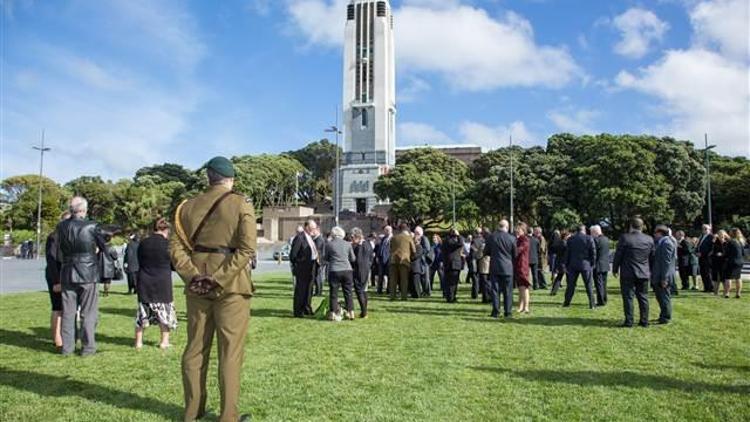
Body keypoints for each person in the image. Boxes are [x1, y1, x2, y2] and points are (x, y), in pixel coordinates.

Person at [170, 156, 256, 422]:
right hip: (231, 287)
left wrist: (194, 276)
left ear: (208, 177)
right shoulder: (241, 204)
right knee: (230, 352)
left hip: (197, 286)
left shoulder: (185, 207)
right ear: (231, 179)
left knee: (195, 349)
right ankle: (228, 416)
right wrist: (218, 278)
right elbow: (246, 249)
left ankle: (192, 412)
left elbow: (175, 248)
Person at [56, 196, 108, 356]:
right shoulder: (92, 226)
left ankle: (67, 347)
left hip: (67, 271)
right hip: (88, 272)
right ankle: (88, 347)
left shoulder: (61, 226)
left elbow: (60, 249)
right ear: (84, 210)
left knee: (68, 312)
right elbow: (104, 246)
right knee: (88, 312)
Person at [135, 218, 177, 349]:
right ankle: (164, 341)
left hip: (145, 279)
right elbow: (174, 264)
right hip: (162, 281)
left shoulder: (143, 243)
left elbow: (139, 260)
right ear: (166, 230)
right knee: (165, 311)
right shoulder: (168, 244)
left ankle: (138, 342)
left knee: (143, 312)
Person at [613, 217, 655, 328]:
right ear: (642, 226)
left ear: (631, 226)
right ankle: (644, 321)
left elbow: (618, 255)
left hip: (628, 272)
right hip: (644, 272)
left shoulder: (625, 238)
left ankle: (629, 321)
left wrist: (615, 269)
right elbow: (652, 257)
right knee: (643, 297)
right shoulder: (649, 239)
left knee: (628, 297)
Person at [45, 211, 70, 351]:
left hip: (67, 274)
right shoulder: (54, 237)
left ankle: (65, 336)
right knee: (58, 308)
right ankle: (57, 339)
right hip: (56, 275)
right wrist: (56, 281)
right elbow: (51, 260)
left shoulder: (69, 238)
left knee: (66, 308)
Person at [484, 219, 516, 318]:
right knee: (508, 291)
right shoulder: (512, 238)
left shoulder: (491, 237)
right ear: (507, 227)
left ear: (498, 226)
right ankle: (508, 311)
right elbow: (515, 254)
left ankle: (496, 311)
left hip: (495, 266)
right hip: (507, 267)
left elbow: (486, 252)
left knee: (495, 290)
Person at [325, 226, 356, 320]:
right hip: (347, 270)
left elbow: (326, 258)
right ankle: (351, 312)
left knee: (334, 293)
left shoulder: (329, 244)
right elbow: (353, 258)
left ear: (333, 234)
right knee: (348, 292)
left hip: (334, 270)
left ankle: (333, 313)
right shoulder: (348, 244)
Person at [563, 225, 597, 309]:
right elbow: (593, 252)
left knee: (571, 285)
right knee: (588, 285)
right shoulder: (589, 238)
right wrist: (592, 263)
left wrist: (566, 264)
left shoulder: (571, 239)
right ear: (584, 230)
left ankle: (566, 302)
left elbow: (567, 253)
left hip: (573, 265)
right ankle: (592, 304)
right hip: (585, 264)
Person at [290, 220, 318, 317]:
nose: (314, 230)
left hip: (311, 266)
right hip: (302, 268)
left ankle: (307, 307)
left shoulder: (310, 238)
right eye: (312, 228)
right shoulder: (299, 238)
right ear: (307, 227)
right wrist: (299, 264)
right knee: (301, 290)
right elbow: (293, 255)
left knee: (309, 289)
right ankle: (298, 310)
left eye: (314, 228)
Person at [652, 225, 676, 325]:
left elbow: (666, 262)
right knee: (661, 297)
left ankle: (666, 317)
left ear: (660, 233)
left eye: (656, 232)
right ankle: (663, 314)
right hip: (660, 274)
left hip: (663, 275)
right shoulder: (662, 243)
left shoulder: (666, 243)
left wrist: (664, 278)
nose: (654, 234)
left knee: (664, 297)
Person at [389, 224, 415, 301]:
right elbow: (413, 250)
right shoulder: (409, 238)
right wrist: (411, 257)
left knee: (393, 280)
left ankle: (392, 296)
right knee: (404, 279)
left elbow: (390, 249)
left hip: (393, 259)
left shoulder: (393, 238)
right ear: (406, 230)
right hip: (404, 260)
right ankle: (404, 296)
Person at [352, 228, 373, 318]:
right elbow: (371, 258)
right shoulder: (368, 244)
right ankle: (364, 311)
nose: (352, 239)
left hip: (359, 270)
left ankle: (364, 312)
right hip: (367, 269)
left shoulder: (359, 246)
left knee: (359, 291)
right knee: (364, 291)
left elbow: (358, 260)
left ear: (357, 237)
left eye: (353, 237)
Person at [442, 229, 465, 303]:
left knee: (450, 282)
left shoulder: (446, 240)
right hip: (453, 264)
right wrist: (459, 235)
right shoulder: (450, 241)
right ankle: (451, 297)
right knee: (452, 282)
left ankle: (451, 296)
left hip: (448, 264)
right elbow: (461, 243)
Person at [591, 225, 610, 306]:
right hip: (605, 264)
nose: (591, 234)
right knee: (604, 284)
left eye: (592, 233)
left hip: (598, 265)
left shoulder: (595, 240)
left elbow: (594, 253)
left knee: (598, 284)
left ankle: (600, 301)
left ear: (595, 232)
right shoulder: (606, 239)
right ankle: (604, 299)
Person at [514, 223, 531, 313]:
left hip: (522, 266)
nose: (517, 230)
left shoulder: (525, 240)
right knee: (520, 287)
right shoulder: (518, 239)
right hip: (518, 265)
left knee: (524, 287)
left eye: (518, 229)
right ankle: (520, 306)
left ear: (523, 230)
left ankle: (526, 307)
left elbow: (518, 250)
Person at [725, 228, 745, 299]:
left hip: (731, 261)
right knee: (738, 278)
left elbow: (726, 253)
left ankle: (727, 293)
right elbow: (743, 253)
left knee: (728, 278)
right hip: (740, 261)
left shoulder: (730, 242)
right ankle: (738, 293)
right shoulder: (740, 242)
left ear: (732, 233)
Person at [549, 230, 569, 296]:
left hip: (559, 261)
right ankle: (569, 291)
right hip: (564, 262)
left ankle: (553, 291)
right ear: (565, 236)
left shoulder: (559, 243)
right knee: (568, 278)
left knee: (559, 277)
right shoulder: (565, 244)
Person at [414, 226, 432, 297]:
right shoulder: (416, 238)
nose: (416, 233)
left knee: (425, 277)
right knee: (422, 277)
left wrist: (419, 252)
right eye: (415, 232)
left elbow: (427, 249)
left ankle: (427, 291)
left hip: (424, 260)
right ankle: (423, 291)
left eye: (417, 232)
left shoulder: (424, 238)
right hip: (419, 260)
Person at [696, 224, 715, 293]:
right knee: (703, 273)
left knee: (708, 273)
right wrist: (697, 252)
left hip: (707, 258)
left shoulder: (711, 237)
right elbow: (698, 246)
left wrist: (703, 253)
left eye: (706, 228)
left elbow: (711, 248)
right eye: (703, 228)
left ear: (709, 229)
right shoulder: (701, 236)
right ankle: (706, 288)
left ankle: (711, 288)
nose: (704, 230)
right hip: (701, 258)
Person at [99, 232, 118, 297]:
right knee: (107, 281)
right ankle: (106, 292)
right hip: (109, 267)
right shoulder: (111, 247)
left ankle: (103, 292)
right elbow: (115, 257)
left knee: (99, 281)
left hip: (100, 266)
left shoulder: (100, 247)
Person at [711, 230, 728, 296]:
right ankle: (716, 292)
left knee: (723, 277)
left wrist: (722, 254)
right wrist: (713, 240)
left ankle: (725, 292)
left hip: (724, 262)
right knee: (715, 277)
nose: (721, 236)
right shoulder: (715, 242)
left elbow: (728, 252)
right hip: (715, 261)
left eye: (722, 234)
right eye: (719, 234)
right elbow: (711, 249)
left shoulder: (727, 243)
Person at [477, 229, 491, 303]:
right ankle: (490, 297)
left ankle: (485, 298)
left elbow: (479, 255)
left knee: (484, 283)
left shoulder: (483, 245)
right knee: (490, 283)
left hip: (484, 266)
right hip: (491, 266)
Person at [470, 228, 486, 299]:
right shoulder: (484, 240)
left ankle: (474, 294)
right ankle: (482, 291)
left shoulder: (474, 241)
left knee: (475, 278)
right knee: (481, 278)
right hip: (482, 260)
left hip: (474, 260)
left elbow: (472, 252)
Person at [378, 226, 393, 294]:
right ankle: (379, 290)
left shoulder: (393, 239)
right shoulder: (383, 238)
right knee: (380, 275)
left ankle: (389, 290)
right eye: (385, 230)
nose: (386, 232)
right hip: (381, 259)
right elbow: (380, 248)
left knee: (389, 275)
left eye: (387, 230)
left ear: (390, 231)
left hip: (388, 259)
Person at [312, 227, 326, 297]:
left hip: (319, 261)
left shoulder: (319, 239)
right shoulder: (317, 239)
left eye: (314, 230)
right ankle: (318, 291)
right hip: (319, 260)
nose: (312, 232)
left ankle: (318, 291)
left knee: (318, 276)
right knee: (317, 276)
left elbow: (317, 251)